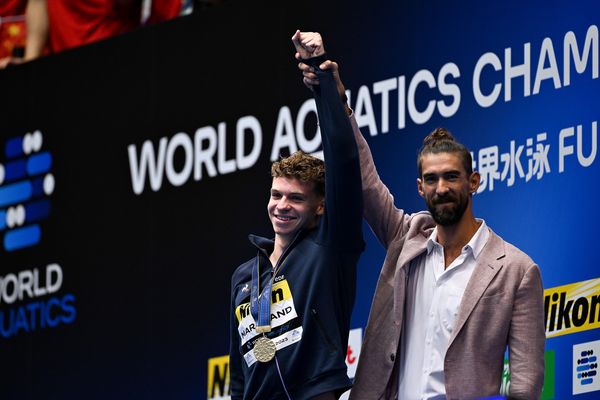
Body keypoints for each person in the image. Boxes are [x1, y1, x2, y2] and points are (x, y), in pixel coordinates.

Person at [296, 32, 545, 400]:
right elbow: (363, 180)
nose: (441, 187)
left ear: (474, 181)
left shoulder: (517, 271)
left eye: (451, 176)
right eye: (431, 179)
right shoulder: (406, 237)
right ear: (419, 187)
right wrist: (336, 100)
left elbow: (525, 385)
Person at [229, 31, 364, 400]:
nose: (281, 205)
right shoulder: (244, 276)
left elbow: (344, 159)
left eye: (296, 198)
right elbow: (239, 378)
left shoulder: (330, 246)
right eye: (276, 194)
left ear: (320, 205)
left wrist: (321, 77)